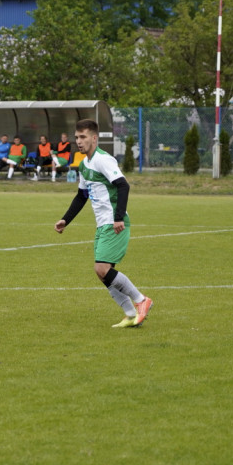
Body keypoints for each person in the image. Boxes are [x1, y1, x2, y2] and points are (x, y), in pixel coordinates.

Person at [54, 119, 152, 328]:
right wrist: (66, 219)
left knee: (101, 268)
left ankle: (142, 301)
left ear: (94, 138)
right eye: (77, 137)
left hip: (114, 223)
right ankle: (129, 314)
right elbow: (82, 196)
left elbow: (123, 186)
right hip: (102, 224)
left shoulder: (103, 160)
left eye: (83, 137)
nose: (79, 141)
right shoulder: (84, 163)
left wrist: (118, 217)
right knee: (103, 273)